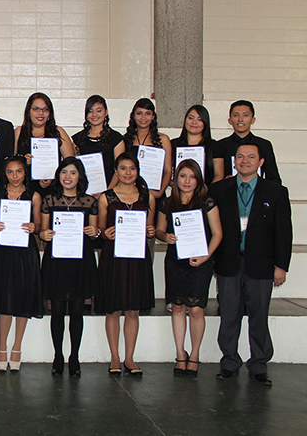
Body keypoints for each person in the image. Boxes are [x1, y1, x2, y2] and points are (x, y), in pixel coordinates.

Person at [211, 142, 291, 386]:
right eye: (240, 156)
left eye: (251, 157)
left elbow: (284, 232)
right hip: (228, 263)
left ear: (261, 162)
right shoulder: (219, 189)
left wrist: (281, 265)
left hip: (262, 265)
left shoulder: (276, 191)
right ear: (234, 161)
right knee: (229, 315)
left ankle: (258, 364)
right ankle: (229, 362)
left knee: (259, 315)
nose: (245, 160)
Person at [155, 159, 223, 377]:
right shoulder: (168, 202)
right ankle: (180, 354)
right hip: (175, 261)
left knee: (195, 309)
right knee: (177, 307)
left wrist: (205, 256)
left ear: (198, 180)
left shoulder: (207, 202)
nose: (187, 181)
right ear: (176, 179)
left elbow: (218, 234)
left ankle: (194, 354)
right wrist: (165, 236)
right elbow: (158, 230)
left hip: (200, 262)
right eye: (183, 176)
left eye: (192, 177)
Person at [96, 152, 156, 376]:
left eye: (132, 168)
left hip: (137, 258)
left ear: (137, 171)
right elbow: (100, 230)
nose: (128, 173)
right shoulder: (105, 197)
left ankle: (130, 358)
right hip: (113, 258)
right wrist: (105, 233)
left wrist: (150, 231)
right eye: (123, 168)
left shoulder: (147, 196)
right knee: (113, 310)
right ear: (116, 171)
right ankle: (115, 356)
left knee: (133, 310)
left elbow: (150, 227)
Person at [38, 157, 99, 376]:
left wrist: (96, 232)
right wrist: (43, 234)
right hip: (56, 261)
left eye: (73, 172)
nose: (68, 177)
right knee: (57, 312)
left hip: (80, 262)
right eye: (64, 172)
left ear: (80, 176)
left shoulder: (90, 202)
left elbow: (96, 233)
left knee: (76, 312)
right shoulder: (49, 200)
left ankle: (74, 356)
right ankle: (58, 355)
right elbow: (43, 232)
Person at [0, 154, 43, 372]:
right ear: (4, 173)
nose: (14, 176)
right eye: (10, 172)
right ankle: (2, 346)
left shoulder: (34, 195)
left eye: (19, 171)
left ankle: (17, 346)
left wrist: (33, 227)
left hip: (25, 251)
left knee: (22, 297)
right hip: (2, 250)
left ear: (25, 172)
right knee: (5, 297)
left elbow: (38, 224)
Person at [15, 92, 75, 197]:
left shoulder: (58, 132)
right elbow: (10, 163)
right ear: (28, 111)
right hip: (24, 189)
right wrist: (22, 161)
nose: (41, 113)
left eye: (45, 109)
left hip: (53, 191)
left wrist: (54, 177)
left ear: (50, 113)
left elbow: (70, 163)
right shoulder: (19, 132)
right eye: (36, 109)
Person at [212, 100, 281, 184]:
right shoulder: (220, 145)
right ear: (230, 121)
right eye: (236, 115)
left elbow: (273, 177)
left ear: (253, 120)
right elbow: (217, 176)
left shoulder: (264, 145)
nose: (240, 119)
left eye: (245, 115)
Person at [123, 98, 172, 209]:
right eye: (139, 113)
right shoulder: (126, 140)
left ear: (153, 116)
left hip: (155, 194)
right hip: (131, 194)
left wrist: (160, 192)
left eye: (148, 114)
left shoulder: (163, 139)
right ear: (133, 116)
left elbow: (168, 170)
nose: (143, 118)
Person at [72, 95, 125, 193]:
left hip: (110, 192)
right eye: (90, 111)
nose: (94, 114)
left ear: (106, 112)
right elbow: (74, 168)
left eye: (99, 110)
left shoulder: (116, 139)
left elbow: (120, 169)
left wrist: (107, 193)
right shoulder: (77, 139)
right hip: (84, 193)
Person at [170, 105, 216, 187]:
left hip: (205, 195)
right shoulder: (173, 144)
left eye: (200, 119)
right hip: (178, 194)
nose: (194, 122)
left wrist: (209, 189)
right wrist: (171, 183)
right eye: (191, 118)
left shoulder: (213, 146)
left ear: (205, 123)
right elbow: (165, 171)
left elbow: (219, 174)